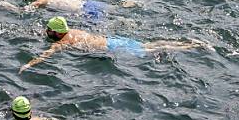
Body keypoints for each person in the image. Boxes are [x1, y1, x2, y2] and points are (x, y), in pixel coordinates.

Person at [19, 16, 209, 72]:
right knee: (150, 44)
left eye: (49, 30)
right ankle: (187, 43)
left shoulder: (63, 41)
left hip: (112, 48)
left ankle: (192, 47)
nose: (47, 32)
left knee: (154, 49)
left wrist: (28, 64)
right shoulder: (73, 31)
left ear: (57, 32)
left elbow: (46, 55)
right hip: (113, 40)